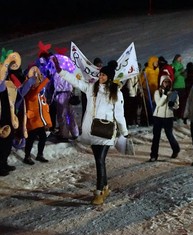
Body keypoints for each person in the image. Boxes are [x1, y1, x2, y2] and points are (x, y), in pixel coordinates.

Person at [53, 56, 128, 206]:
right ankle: (105, 187)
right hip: (92, 130)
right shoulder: (91, 88)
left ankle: (99, 192)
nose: (101, 77)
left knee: (100, 160)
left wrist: (124, 132)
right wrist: (61, 71)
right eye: (100, 74)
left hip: (107, 131)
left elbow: (119, 114)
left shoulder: (116, 92)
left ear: (110, 77)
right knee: (99, 161)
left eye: (104, 75)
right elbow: (76, 82)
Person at [23, 66, 52, 165]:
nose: (38, 80)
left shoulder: (39, 92)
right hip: (33, 119)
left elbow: (43, 106)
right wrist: (46, 80)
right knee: (30, 139)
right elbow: (35, 92)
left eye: (38, 78)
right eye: (36, 78)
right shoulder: (29, 91)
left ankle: (40, 154)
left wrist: (47, 120)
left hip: (39, 120)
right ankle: (27, 156)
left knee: (43, 137)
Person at [149, 75, 180, 162]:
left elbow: (177, 105)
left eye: (168, 82)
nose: (167, 84)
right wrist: (165, 95)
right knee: (156, 136)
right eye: (165, 82)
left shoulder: (174, 93)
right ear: (161, 83)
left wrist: (173, 105)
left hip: (168, 117)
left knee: (169, 134)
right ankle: (153, 155)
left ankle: (176, 149)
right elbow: (159, 103)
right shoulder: (157, 92)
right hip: (158, 116)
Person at [171, 54, 186, 121]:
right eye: (179, 58)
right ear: (176, 59)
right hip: (176, 86)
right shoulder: (173, 65)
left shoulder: (181, 65)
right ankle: (175, 115)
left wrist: (184, 74)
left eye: (181, 58)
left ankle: (180, 115)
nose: (181, 60)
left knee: (182, 101)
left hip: (182, 86)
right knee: (175, 102)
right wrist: (180, 71)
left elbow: (183, 75)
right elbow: (173, 75)